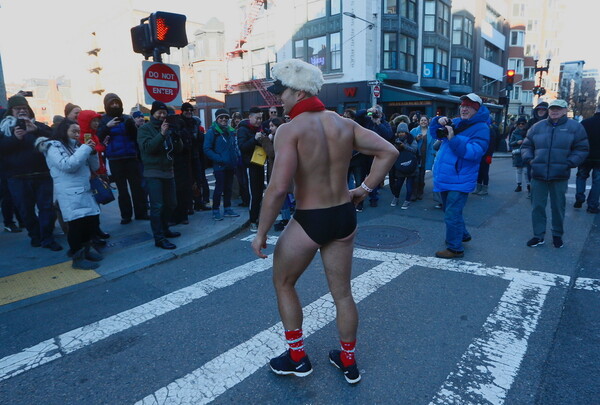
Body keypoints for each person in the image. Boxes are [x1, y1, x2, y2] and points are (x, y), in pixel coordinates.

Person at [251, 59, 398, 384]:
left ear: (300, 90)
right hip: (343, 214)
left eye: (283, 92)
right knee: (342, 294)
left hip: (310, 218)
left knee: (284, 283)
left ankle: (297, 357)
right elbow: (388, 151)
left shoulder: (290, 130)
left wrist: (261, 232)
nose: (279, 99)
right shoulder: (343, 124)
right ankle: (348, 361)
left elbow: (277, 189)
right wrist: (364, 189)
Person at [521, 99, 589, 248]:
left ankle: (557, 235)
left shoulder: (575, 127)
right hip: (538, 174)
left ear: (565, 111)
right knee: (537, 207)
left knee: (558, 207)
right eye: (552, 108)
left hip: (559, 175)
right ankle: (538, 236)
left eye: (558, 108)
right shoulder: (537, 127)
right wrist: (530, 160)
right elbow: (527, 145)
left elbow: (582, 148)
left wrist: (569, 163)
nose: (554, 111)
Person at [429, 93, 490, 259]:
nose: (464, 108)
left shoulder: (482, 128)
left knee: (452, 213)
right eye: (463, 105)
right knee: (450, 210)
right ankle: (461, 234)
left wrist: (453, 138)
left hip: (460, 179)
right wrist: (437, 122)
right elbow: (435, 135)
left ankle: (455, 248)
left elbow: (474, 153)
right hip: (446, 176)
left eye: (469, 106)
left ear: (477, 109)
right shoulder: (456, 122)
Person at [36, 120, 103, 269]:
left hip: (84, 190)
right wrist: (85, 149)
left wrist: (92, 152)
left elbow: (95, 167)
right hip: (68, 193)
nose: (77, 135)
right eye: (74, 131)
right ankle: (77, 257)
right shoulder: (52, 146)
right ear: (63, 131)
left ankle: (86, 251)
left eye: (78, 131)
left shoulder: (78, 147)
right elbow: (67, 165)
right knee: (76, 225)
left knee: (89, 222)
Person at [0, 95, 61, 251]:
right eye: (17, 108)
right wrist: (15, 138)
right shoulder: (4, 129)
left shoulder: (37, 126)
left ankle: (47, 237)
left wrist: (37, 130)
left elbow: (56, 138)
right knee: (25, 211)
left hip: (42, 175)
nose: (21, 111)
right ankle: (35, 236)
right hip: (17, 178)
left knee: (47, 208)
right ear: (11, 111)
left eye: (24, 108)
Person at [137, 101, 183, 250]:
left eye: (164, 113)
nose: (162, 115)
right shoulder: (145, 129)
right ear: (153, 113)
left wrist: (176, 137)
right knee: (157, 206)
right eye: (159, 113)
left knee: (171, 203)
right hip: (153, 172)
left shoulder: (168, 127)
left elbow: (178, 149)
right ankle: (159, 237)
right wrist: (162, 135)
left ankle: (165, 229)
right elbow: (148, 148)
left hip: (168, 171)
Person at [97, 93, 148, 224]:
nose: (115, 105)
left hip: (131, 157)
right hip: (115, 159)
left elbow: (135, 137)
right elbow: (98, 137)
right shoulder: (103, 120)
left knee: (137, 188)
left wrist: (132, 126)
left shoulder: (127, 118)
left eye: (117, 103)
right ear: (107, 105)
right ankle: (126, 215)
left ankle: (141, 213)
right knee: (122, 189)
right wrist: (107, 127)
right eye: (112, 103)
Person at [78, 109, 110, 242]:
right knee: (91, 206)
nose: (96, 124)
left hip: (97, 172)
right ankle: (93, 234)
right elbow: (89, 151)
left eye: (97, 121)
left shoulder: (93, 134)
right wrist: (101, 147)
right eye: (94, 121)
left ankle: (96, 230)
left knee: (96, 205)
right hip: (90, 175)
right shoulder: (83, 135)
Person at [203, 109, 240, 221]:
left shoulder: (230, 131)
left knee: (228, 188)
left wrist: (235, 158)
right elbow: (206, 148)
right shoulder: (212, 132)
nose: (224, 119)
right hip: (219, 166)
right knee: (219, 189)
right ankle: (216, 211)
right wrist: (219, 159)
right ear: (217, 119)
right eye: (221, 117)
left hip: (230, 165)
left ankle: (227, 209)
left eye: (226, 117)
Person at [237, 106, 265, 231]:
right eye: (257, 118)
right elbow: (242, 147)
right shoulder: (243, 129)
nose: (259, 120)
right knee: (253, 194)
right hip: (249, 166)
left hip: (259, 164)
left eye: (261, 118)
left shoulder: (259, 128)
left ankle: (258, 217)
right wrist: (254, 139)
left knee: (259, 193)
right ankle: (253, 220)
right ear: (250, 117)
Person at [575, 105, 600, 213]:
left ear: (596, 110)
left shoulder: (585, 123)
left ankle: (579, 198)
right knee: (597, 182)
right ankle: (592, 205)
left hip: (585, 156)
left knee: (581, 176)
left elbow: (577, 138)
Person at [390, 123, 418, 209]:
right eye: (399, 132)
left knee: (409, 186)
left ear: (407, 132)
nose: (401, 134)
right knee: (398, 185)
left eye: (403, 132)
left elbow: (414, 150)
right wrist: (397, 147)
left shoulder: (411, 140)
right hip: (400, 165)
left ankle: (407, 200)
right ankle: (396, 197)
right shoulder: (396, 140)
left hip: (411, 165)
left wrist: (404, 146)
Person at [472, 121, 497, 196]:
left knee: (484, 172)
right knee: (479, 171)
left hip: (486, 154)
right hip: (481, 153)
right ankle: (479, 187)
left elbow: (491, 144)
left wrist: (489, 155)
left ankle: (484, 188)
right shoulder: (485, 129)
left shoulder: (490, 130)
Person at [410, 115, 430, 200]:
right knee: (415, 175)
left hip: (426, 156)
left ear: (428, 122)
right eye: (422, 120)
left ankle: (420, 192)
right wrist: (416, 139)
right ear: (419, 121)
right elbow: (409, 141)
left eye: (425, 120)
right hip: (416, 156)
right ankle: (413, 193)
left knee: (422, 175)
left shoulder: (431, 131)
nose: (423, 122)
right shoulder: (414, 131)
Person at [508, 117, 529, 193]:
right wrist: (517, 142)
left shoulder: (528, 132)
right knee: (519, 170)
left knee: (526, 171)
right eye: (519, 124)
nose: (521, 125)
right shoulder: (515, 132)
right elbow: (510, 143)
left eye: (522, 123)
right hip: (517, 153)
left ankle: (528, 185)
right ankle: (519, 185)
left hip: (526, 153)